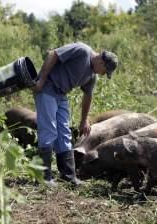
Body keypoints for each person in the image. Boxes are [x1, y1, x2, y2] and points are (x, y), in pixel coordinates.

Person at [32, 42, 118, 186]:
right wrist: (41, 80)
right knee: (49, 130)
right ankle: (42, 177)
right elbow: (53, 54)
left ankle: (68, 175)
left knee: (64, 133)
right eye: (104, 71)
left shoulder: (92, 76)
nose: (102, 75)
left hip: (61, 94)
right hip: (47, 87)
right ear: (101, 62)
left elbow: (88, 96)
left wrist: (84, 120)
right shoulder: (82, 51)